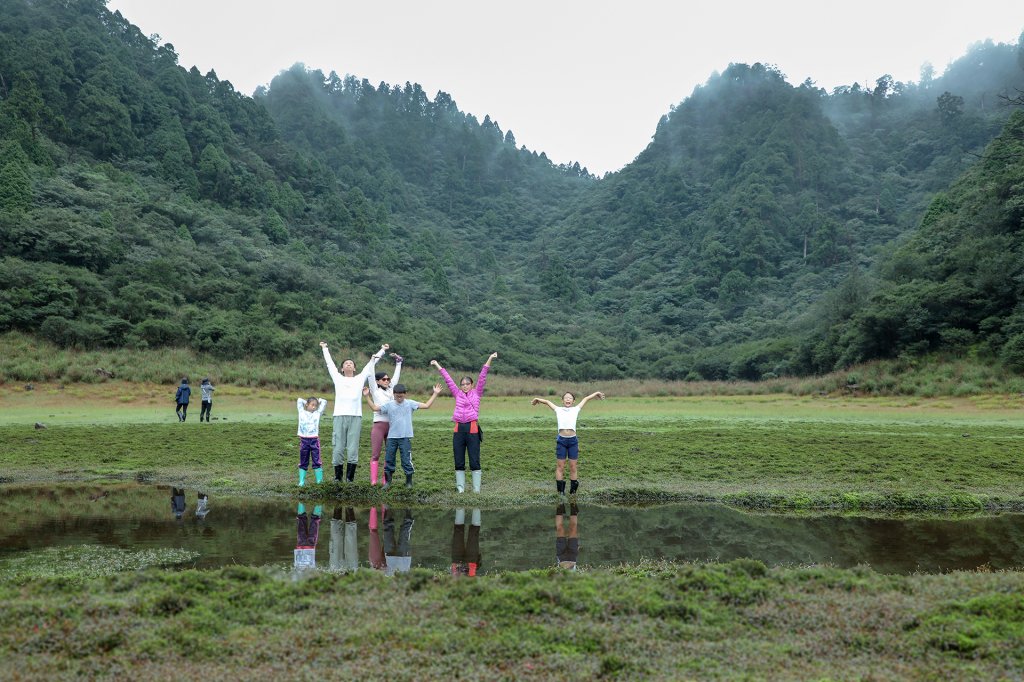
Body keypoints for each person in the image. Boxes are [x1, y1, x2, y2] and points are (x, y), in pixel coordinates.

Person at [320, 341, 388, 482]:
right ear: (342, 369)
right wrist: (325, 348)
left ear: (355, 368)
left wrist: (382, 350)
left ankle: (350, 478)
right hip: (339, 416)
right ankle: (338, 477)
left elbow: (371, 364)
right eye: (346, 363)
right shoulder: (337, 378)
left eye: (351, 363)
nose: (349, 364)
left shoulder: (359, 379)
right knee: (338, 447)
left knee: (352, 448)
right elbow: (330, 364)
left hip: (356, 417)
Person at [431, 352, 498, 493]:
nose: (465, 386)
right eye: (463, 384)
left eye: (467, 384)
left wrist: (490, 358)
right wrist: (437, 364)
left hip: (472, 428)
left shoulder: (477, 393)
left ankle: (476, 489)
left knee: (474, 460)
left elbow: (483, 376)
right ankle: (460, 489)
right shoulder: (457, 393)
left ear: (472, 385)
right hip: (458, 429)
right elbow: (448, 379)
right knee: (459, 459)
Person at [364, 382, 442, 488]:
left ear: (405, 394)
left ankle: (409, 482)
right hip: (392, 438)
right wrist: (367, 396)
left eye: (401, 396)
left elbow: (427, 405)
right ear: (394, 394)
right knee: (389, 459)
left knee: (406, 459)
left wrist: (435, 393)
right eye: (397, 396)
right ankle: (388, 482)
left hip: (405, 437)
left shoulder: (410, 403)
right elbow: (374, 408)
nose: (399, 398)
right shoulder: (389, 405)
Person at [530, 390, 605, 495]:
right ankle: (561, 492)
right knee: (560, 466)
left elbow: (586, 398)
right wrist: (537, 399)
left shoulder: (576, 409)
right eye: (566, 398)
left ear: (573, 401)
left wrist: (596, 393)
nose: (568, 399)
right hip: (561, 441)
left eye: (570, 398)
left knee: (573, 467)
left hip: (573, 441)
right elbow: (547, 401)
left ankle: (573, 491)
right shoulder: (558, 409)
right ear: (562, 400)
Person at [366, 352, 404, 485]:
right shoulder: (375, 390)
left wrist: (398, 363)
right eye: (384, 379)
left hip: (392, 426)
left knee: (390, 454)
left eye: (388, 379)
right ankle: (373, 481)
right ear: (377, 381)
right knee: (376, 454)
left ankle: (385, 480)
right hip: (379, 425)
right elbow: (370, 374)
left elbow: (396, 377)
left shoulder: (390, 390)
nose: (387, 381)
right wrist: (372, 361)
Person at [296, 396, 328, 486]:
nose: (314, 407)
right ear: (307, 405)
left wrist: (319, 400)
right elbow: (299, 400)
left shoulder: (317, 414)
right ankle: (301, 482)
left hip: (314, 440)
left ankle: (319, 481)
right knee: (303, 461)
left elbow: (324, 402)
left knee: (316, 460)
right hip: (304, 440)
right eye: (312, 405)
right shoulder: (301, 412)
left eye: (315, 405)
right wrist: (306, 401)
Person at [450, 508, 482, 578]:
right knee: (473, 536)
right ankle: (476, 507)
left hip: (458, 567)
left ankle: (460, 506)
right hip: (470, 570)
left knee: (458, 534)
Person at [294, 502, 322, 572]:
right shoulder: (298, 573)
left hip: (309, 546)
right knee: (301, 519)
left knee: (315, 521)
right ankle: (301, 498)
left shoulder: (310, 573)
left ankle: (319, 501)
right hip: (301, 546)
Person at [555, 502, 580, 570]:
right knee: (573, 528)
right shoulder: (574, 579)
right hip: (572, 558)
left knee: (560, 529)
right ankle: (573, 504)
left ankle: (560, 503)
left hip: (561, 558)